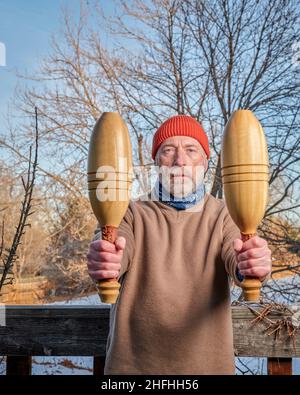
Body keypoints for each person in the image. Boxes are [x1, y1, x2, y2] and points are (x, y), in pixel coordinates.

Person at [87, 115, 272, 375]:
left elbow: (238, 255)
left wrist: (252, 264)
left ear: (205, 163)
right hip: (132, 371)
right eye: (168, 150)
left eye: (191, 149)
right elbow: (116, 248)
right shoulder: (128, 212)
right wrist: (106, 260)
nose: (179, 160)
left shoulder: (225, 214)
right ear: (156, 162)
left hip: (208, 369)